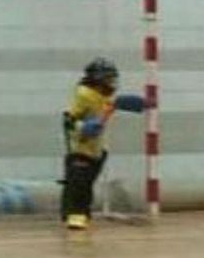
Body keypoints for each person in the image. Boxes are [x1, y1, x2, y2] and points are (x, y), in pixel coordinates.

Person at [59, 58, 144, 230]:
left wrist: (141, 104)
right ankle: (75, 215)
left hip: (96, 149)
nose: (111, 83)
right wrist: (83, 128)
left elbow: (111, 106)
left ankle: (78, 213)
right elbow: (69, 119)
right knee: (78, 184)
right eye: (108, 79)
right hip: (80, 148)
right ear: (98, 79)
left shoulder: (101, 96)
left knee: (86, 183)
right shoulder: (84, 95)